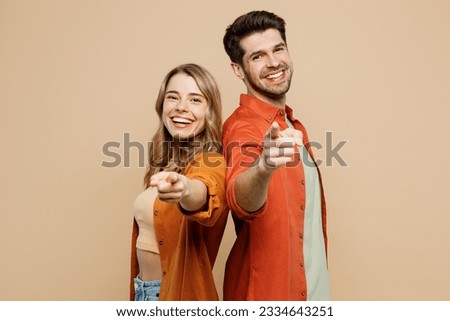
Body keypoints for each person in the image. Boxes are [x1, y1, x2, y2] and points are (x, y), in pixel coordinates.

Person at [222, 11, 330, 300]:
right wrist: (263, 167)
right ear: (238, 70)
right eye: (257, 56)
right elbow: (239, 197)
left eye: (278, 49)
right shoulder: (243, 127)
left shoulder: (292, 124)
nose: (273, 62)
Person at [129, 63, 228, 301]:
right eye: (173, 97)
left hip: (173, 297)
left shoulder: (211, 161)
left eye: (195, 100)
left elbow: (203, 190)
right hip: (145, 291)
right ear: (162, 104)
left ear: (210, 111)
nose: (181, 107)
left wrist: (184, 188)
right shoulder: (164, 161)